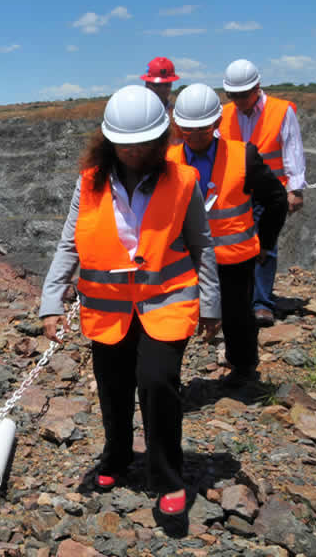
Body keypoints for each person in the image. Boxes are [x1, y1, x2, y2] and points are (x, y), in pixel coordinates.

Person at [39, 85, 221, 516]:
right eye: (125, 144)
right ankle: (117, 456)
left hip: (167, 303)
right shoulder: (89, 183)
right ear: (109, 141)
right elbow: (70, 245)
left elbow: (203, 244)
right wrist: (51, 300)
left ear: (160, 140)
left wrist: (212, 305)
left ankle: (168, 476)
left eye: (143, 144)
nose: (133, 152)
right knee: (113, 387)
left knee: (158, 384)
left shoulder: (183, 182)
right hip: (109, 310)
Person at [168, 84, 288, 387]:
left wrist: (266, 242)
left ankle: (244, 368)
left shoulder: (242, 156)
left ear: (217, 123)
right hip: (185, 260)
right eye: (187, 129)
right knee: (175, 317)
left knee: (238, 317)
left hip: (234, 259)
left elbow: (276, 199)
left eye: (201, 129)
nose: (193, 136)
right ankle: (166, 379)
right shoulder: (167, 161)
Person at [217, 59, 306, 327]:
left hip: (271, 192)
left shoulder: (280, 111)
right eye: (233, 95)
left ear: (257, 87)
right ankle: (237, 299)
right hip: (236, 191)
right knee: (235, 245)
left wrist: (296, 189)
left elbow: (293, 150)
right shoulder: (225, 114)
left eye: (243, 94)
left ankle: (262, 303)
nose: (239, 100)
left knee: (266, 244)